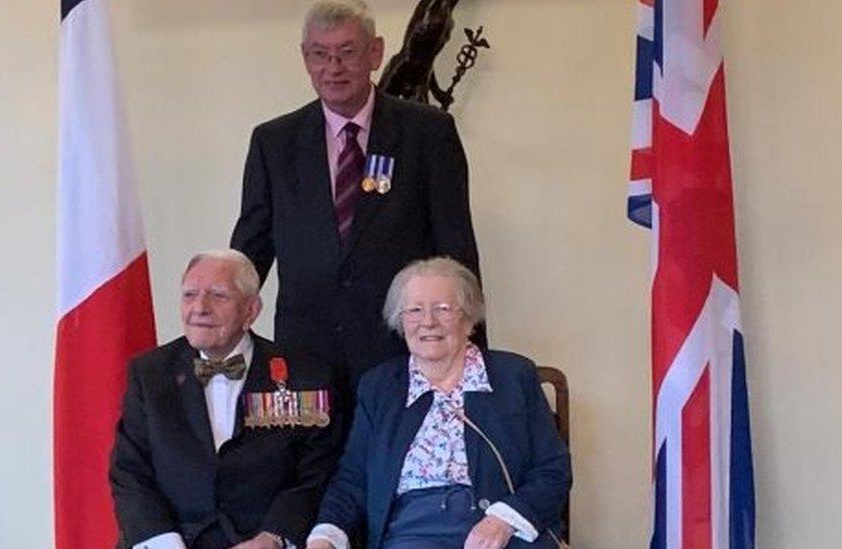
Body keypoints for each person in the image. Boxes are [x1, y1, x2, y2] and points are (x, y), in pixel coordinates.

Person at [230, 0, 482, 404]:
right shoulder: (273, 143)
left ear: (375, 53)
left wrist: (471, 356)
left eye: (347, 52)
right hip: (305, 357)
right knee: (315, 469)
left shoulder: (427, 134)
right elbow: (250, 251)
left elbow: (456, 250)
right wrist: (222, 330)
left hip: (403, 351)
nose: (333, 67)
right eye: (320, 54)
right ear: (305, 59)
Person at [307, 258, 571, 549]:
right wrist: (325, 536)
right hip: (412, 532)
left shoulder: (513, 377)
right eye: (415, 310)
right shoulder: (380, 387)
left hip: (503, 529)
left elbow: (552, 468)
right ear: (400, 320)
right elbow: (354, 478)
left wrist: (503, 520)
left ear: (468, 319)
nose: (428, 322)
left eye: (443, 309)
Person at [110, 249, 344, 549]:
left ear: (251, 310)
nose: (199, 307)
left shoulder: (305, 375)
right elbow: (130, 471)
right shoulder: (150, 373)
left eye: (218, 296)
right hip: (170, 540)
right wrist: (164, 543)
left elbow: (316, 471)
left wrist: (273, 537)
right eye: (189, 294)